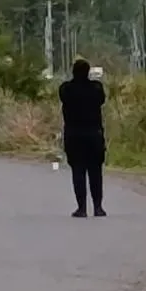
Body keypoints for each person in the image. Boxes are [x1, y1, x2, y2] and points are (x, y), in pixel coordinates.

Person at [59, 57, 107, 218]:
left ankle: (82, 208)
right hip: (94, 134)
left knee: (78, 171)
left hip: (74, 135)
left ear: (73, 72)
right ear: (88, 72)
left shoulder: (66, 89)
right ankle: (98, 207)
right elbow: (101, 100)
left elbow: (63, 98)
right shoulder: (96, 88)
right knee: (95, 172)